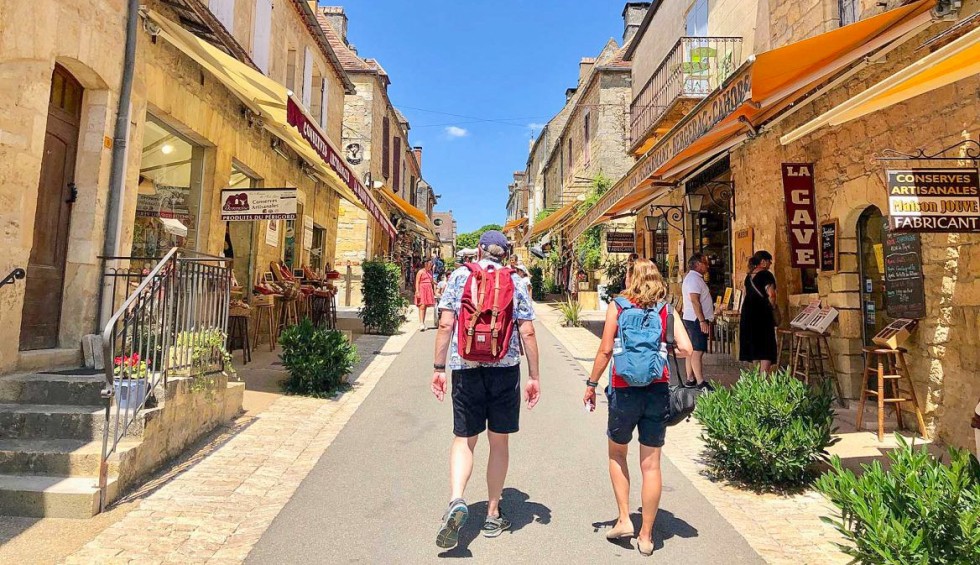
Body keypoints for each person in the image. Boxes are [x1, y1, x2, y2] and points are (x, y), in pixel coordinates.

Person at [431, 230, 541, 550]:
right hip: (505, 369)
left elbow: (445, 324)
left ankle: (456, 499)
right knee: (499, 442)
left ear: (479, 250)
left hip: (465, 367)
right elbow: (528, 331)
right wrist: (534, 376)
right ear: (505, 253)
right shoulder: (517, 281)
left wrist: (439, 369)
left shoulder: (458, 278)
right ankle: (493, 513)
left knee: (465, 438)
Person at [583, 259, 693, 556]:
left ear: (631, 278)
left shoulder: (618, 305)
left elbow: (606, 349)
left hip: (623, 389)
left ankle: (623, 519)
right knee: (652, 464)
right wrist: (662, 346)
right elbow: (686, 349)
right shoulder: (666, 309)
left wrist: (591, 384)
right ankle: (646, 536)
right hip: (657, 389)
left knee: (618, 453)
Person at [739, 250, 778, 372]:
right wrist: (772, 307)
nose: (770, 264)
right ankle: (763, 378)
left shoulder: (748, 276)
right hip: (762, 313)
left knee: (754, 344)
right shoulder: (766, 275)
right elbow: (771, 294)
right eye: (769, 261)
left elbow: (745, 294)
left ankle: (755, 377)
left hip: (747, 312)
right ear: (763, 262)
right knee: (766, 346)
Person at [681, 253, 714, 389]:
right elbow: (695, 301)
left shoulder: (693, 278)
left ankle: (690, 378)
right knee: (698, 350)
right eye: (705, 263)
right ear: (698, 264)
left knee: (692, 350)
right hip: (695, 319)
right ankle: (700, 381)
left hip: (691, 318)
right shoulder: (694, 279)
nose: (707, 265)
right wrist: (702, 321)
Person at [415, 259, 436, 331]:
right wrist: (417, 291)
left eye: (431, 264)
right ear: (425, 264)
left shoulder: (430, 272)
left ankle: (423, 323)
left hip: (428, 289)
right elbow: (417, 282)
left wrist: (437, 284)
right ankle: (421, 323)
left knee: (426, 306)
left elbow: (431, 281)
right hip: (422, 289)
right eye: (429, 264)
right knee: (422, 305)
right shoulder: (420, 272)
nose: (430, 266)